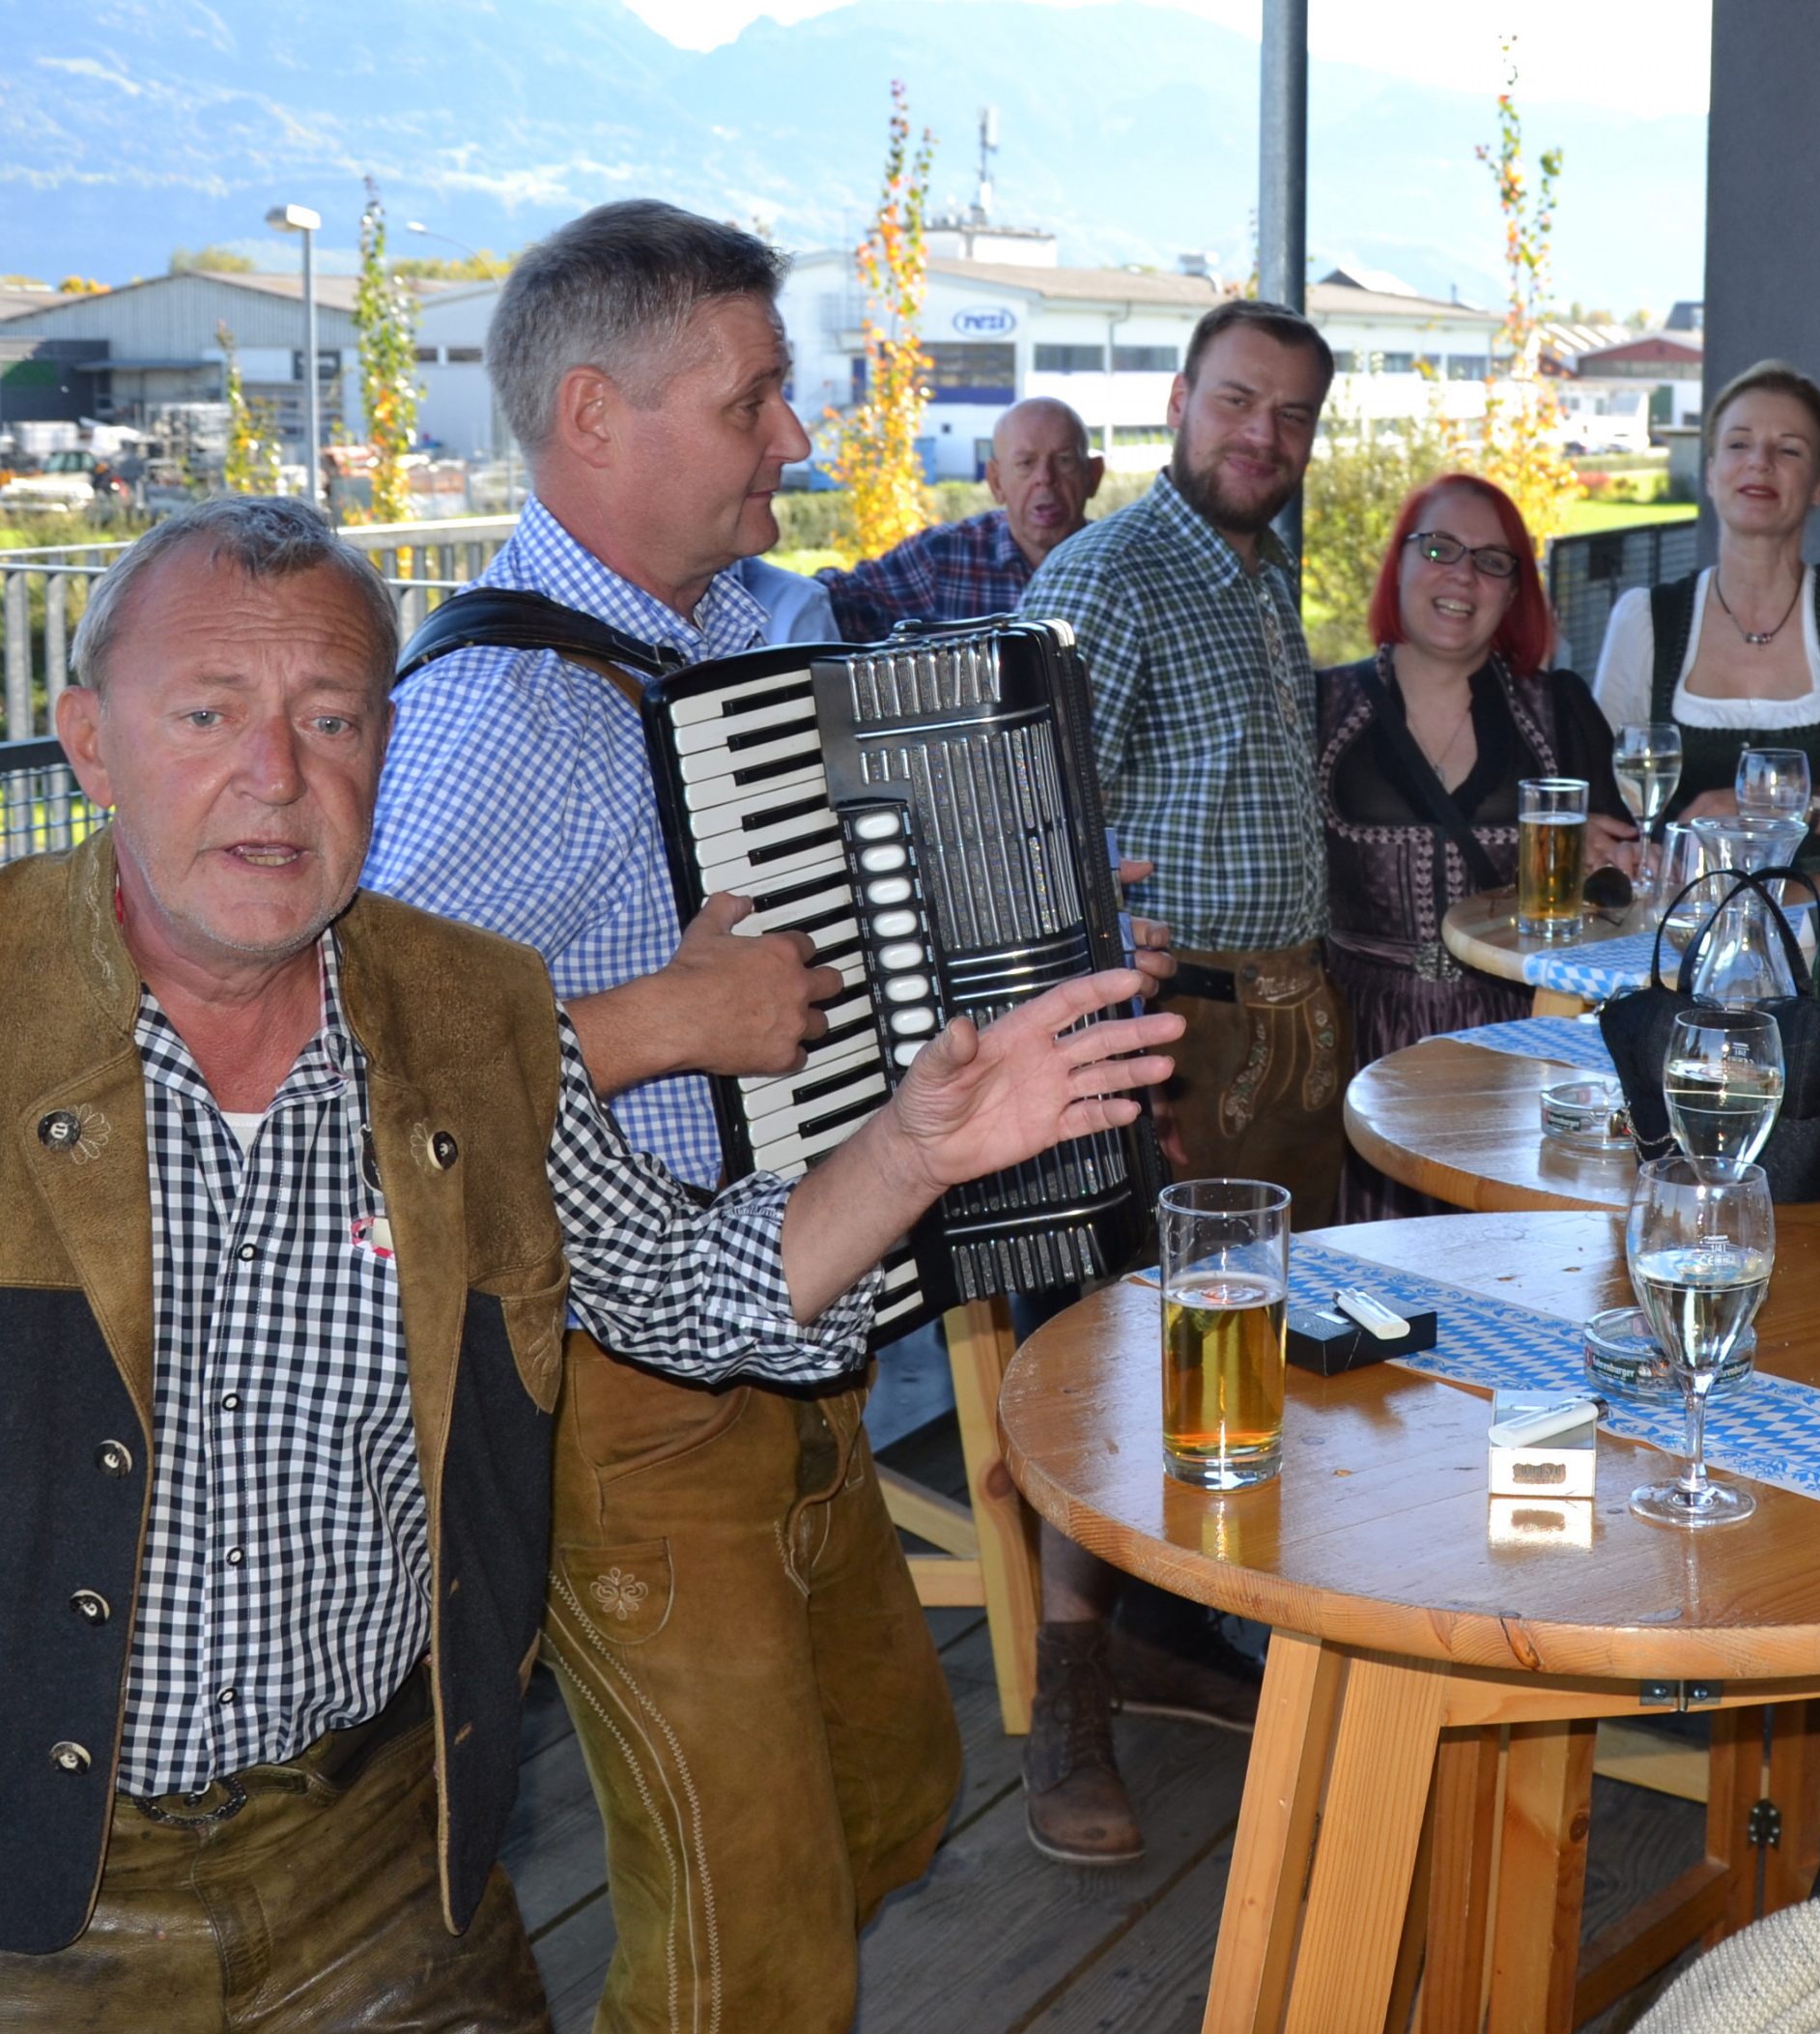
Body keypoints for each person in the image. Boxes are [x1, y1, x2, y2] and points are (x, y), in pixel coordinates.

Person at [0, 497, 1179, 2025]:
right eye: (208, 712)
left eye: (333, 717)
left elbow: (687, 1295)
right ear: (89, 745)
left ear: (385, 750)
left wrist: (915, 1148)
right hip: (41, 1893)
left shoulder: (467, 1014)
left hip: (382, 1854)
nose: (275, 775)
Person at [358, 201, 1172, 2034]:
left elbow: (828, 944)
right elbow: (373, 1077)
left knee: (888, 1798)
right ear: (593, 417)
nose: (796, 442)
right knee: (753, 1957)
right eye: (754, 403)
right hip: (619, 1401)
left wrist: (1040, 938)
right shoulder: (496, 712)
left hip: (789, 1325)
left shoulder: (724, 631)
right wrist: (657, 1024)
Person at [1013, 297, 1339, 1866]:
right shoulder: (1108, 575)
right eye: (1236, 403)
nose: (1261, 437)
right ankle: (1061, 1703)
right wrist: (1102, 1041)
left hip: (1279, 1025)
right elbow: (1032, 827)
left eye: (1289, 416)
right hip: (1163, 1041)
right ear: (1178, 400)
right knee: (1109, 1361)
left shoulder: (1259, 577)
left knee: (1246, 1358)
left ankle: (1180, 1641)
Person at [1319, 472, 1633, 1218]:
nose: (1463, 573)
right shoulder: (1319, 705)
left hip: (1519, 1050)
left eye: (1492, 561)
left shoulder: (1559, 712)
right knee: (1367, 1293)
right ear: (1398, 562)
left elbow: (1623, 893)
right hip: (1351, 1052)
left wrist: (1605, 868)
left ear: (1513, 591)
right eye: (1439, 548)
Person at [1591, 359, 1820, 837]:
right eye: (1737, 444)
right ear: (1710, 474)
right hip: (1681, 908)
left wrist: (1776, 801)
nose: (1759, 461)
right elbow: (1599, 795)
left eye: (1789, 450)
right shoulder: (1645, 619)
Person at [816, 395, 1102, 640]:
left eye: (1064, 461)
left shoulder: (1116, 569)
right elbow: (831, 599)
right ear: (996, 481)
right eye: (1026, 464)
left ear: (1093, 475)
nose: (1045, 479)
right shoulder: (944, 558)